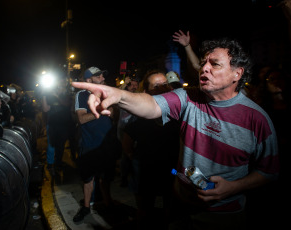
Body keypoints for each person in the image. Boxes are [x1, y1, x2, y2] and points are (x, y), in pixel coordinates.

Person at [71, 38, 279, 229]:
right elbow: (151, 104)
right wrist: (118, 95)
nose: (204, 68)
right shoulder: (188, 97)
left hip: (224, 215)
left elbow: (269, 171)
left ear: (237, 73)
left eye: (214, 64)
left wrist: (233, 187)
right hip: (180, 205)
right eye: (204, 62)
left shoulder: (257, 119)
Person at [122, 70, 179, 230]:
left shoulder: (177, 113)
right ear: (146, 91)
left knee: (171, 203)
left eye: (164, 84)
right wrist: (136, 159)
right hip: (147, 171)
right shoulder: (140, 117)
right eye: (156, 85)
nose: (162, 88)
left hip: (172, 169)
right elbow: (127, 143)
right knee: (144, 209)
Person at [73, 66, 119, 223]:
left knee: (105, 178)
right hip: (90, 145)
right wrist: (99, 110)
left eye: (102, 75)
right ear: (88, 80)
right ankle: (86, 207)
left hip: (106, 144)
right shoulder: (82, 95)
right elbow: (81, 119)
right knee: (88, 179)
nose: (102, 78)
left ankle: (108, 203)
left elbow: (113, 113)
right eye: (98, 76)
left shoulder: (106, 93)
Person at [41, 75, 76, 174]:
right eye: (60, 81)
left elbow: (67, 104)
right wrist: (44, 94)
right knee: (51, 145)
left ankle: (58, 164)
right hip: (52, 123)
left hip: (64, 124)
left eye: (63, 81)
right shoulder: (50, 94)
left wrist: (56, 96)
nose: (62, 83)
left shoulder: (67, 93)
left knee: (60, 145)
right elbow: (45, 109)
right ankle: (50, 164)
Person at [116, 76, 139, 187]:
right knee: (125, 154)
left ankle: (134, 176)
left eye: (136, 85)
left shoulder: (140, 96)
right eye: (132, 85)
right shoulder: (123, 96)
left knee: (134, 154)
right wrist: (124, 84)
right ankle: (124, 178)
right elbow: (116, 93)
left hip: (136, 129)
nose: (134, 87)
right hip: (124, 129)